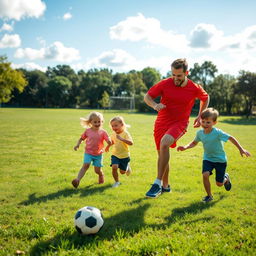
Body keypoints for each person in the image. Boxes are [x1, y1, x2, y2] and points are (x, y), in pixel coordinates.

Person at [144, 58, 209, 198]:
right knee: (162, 154)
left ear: (187, 73)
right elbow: (147, 96)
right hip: (161, 122)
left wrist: (200, 116)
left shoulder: (194, 87)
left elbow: (205, 98)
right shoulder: (165, 83)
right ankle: (165, 187)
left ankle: (157, 183)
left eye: (178, 75)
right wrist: (155, 105)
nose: (175, 78)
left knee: (165, 142)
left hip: (180, 123)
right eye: (173, 74)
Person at [177, 108, 251, 202]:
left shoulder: (217, 133)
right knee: (205, 175)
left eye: (208, 122)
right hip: (207, 159)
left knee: (219, 184)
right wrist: (185, 147)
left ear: (214, 122)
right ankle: (209, 196)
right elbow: (194, 143)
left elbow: (231, 138)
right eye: (203, 121)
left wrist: (241, 149)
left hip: (220, 160)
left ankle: (226, 177)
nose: (204, 124)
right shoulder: (200, 133)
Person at [72, 112, 111, 188]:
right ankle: (77, 180)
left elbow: (108, 139)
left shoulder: (103, 132)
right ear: (90, 122)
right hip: (88, 153)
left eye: (99, 121)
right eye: (95, 122)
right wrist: (77, 144)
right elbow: (81, 138)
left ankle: (101, 174)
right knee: (85, 166)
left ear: (102, 122)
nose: (97, 123)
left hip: (98, 154)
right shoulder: (88, 131)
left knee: (97, 170)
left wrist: (109, 142)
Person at [105, 116, 133, 188]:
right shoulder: (113, 133)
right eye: (112, 126)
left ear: (122, 125)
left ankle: (127, 166)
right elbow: (113, 141)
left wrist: (122, 139)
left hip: (124, 155)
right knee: (114, 167)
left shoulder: (125, 133)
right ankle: (117, 182)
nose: (114, 127)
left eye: (116, 125)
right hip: (115, 154)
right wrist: (108, 146)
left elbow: (131, 143)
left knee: (122, 172)